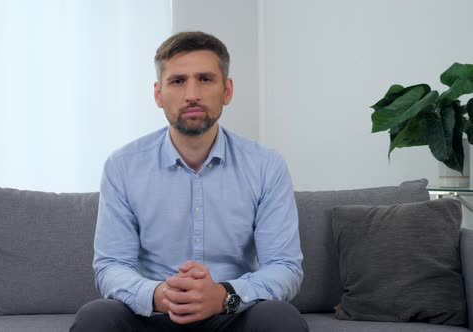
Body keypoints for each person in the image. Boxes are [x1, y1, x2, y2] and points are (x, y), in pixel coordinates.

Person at [70, 31, 308, 332]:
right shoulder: (123, 166)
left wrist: (224, 295)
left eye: (205, 79)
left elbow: (284, 267)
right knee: (97, 317)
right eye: (178, 81)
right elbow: (111, 266)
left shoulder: (266, 165)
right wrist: (159, 295)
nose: (192, 94)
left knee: (280, 318)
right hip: (153, 316)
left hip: (231, 314)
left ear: (227, 90)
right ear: (158, 94)